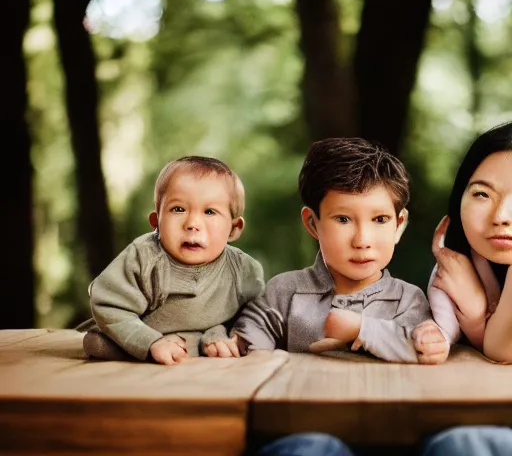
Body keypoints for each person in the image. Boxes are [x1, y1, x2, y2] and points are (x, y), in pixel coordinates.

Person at [232, 137, 446, 364]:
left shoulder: (408, 300)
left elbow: (423, 350)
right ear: (313, 224)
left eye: (380, 219)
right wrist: (240, 345)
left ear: (399, 224)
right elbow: (252, 333)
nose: (362, 241)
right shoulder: (285, 292)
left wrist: (361, 330)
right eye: (343, 219)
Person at [78, 156, 265, 365]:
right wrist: (151, 342)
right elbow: (108, 303)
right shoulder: (144, 258)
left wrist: (232, 336)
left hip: (205, 334)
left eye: (210, 212)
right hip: (140, 330)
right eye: (178, 209)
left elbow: (256, 314)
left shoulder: (243, 270)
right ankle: (167, 346)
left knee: (236, 338)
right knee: (97, 343)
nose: (192, 223)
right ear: (156, 221)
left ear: (233, 228)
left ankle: (195, 342)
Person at [415, 121, 512, 363]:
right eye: (482, 194)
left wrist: (476, 319)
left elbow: (501, 351)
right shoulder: (457, 266)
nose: (501, 217)